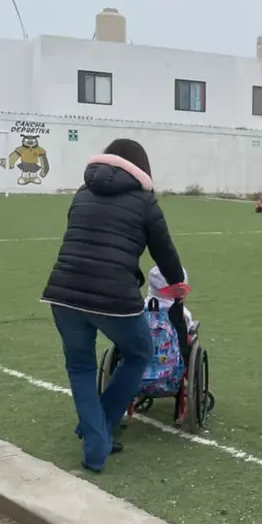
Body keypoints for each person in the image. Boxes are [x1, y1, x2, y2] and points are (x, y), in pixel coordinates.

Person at [42, 139, 187, 474]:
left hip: (63, 292)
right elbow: (165, 252)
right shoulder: (145, 201)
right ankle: (100, 431)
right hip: (113, 296)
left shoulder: (82, 192)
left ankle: (96, 431)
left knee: (80, 368)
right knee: (139, 353)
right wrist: (177, 282)